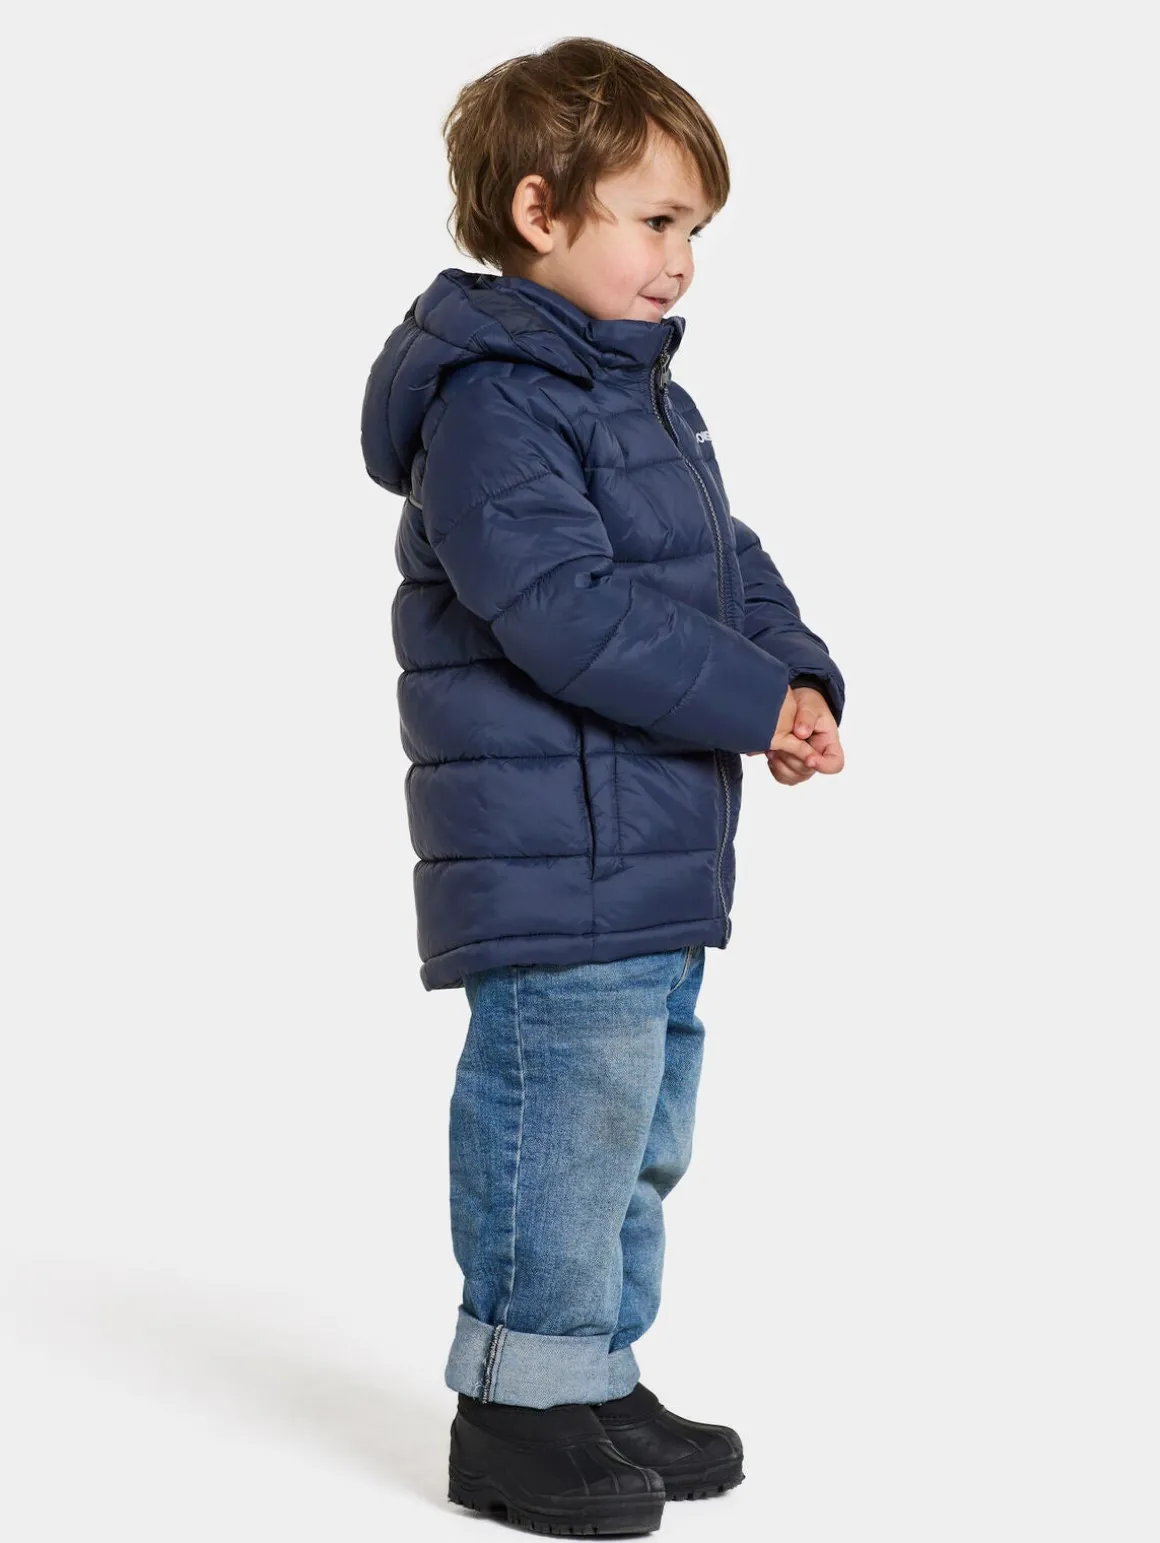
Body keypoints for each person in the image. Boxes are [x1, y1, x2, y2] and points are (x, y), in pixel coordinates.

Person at [360, 35, 846, 1536]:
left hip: (644, 843)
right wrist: (743, 698)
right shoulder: (496, 408)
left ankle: (591, 1370)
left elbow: (720, 560)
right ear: (539, 210)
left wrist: (799, 672)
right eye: (656, 220)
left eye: (695, 229)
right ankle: (516, 1409)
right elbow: (562, 610)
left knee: (634, 1133)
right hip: (554, 848)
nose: (681, 259)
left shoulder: (634, 401)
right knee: (558, 1126)